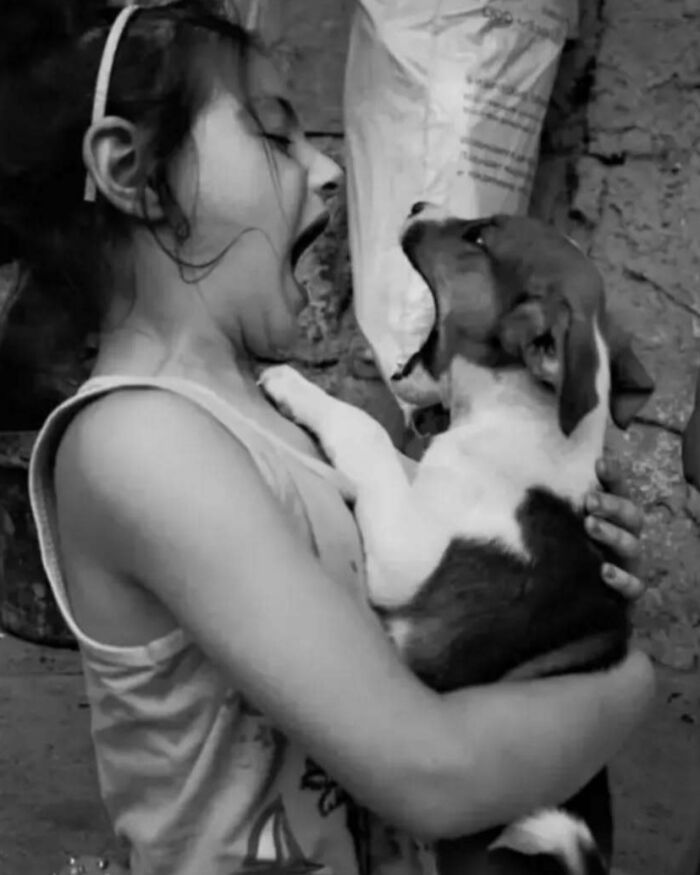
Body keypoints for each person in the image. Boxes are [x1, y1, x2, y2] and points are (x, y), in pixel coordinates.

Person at [0, 2, 654, 874]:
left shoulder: (270, 420)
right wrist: (625, 679)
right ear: (133, 172)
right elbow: (430, 771)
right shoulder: (138, 444)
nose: (329, 168)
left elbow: (435, 594)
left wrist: (554, 586)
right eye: (277, 137)